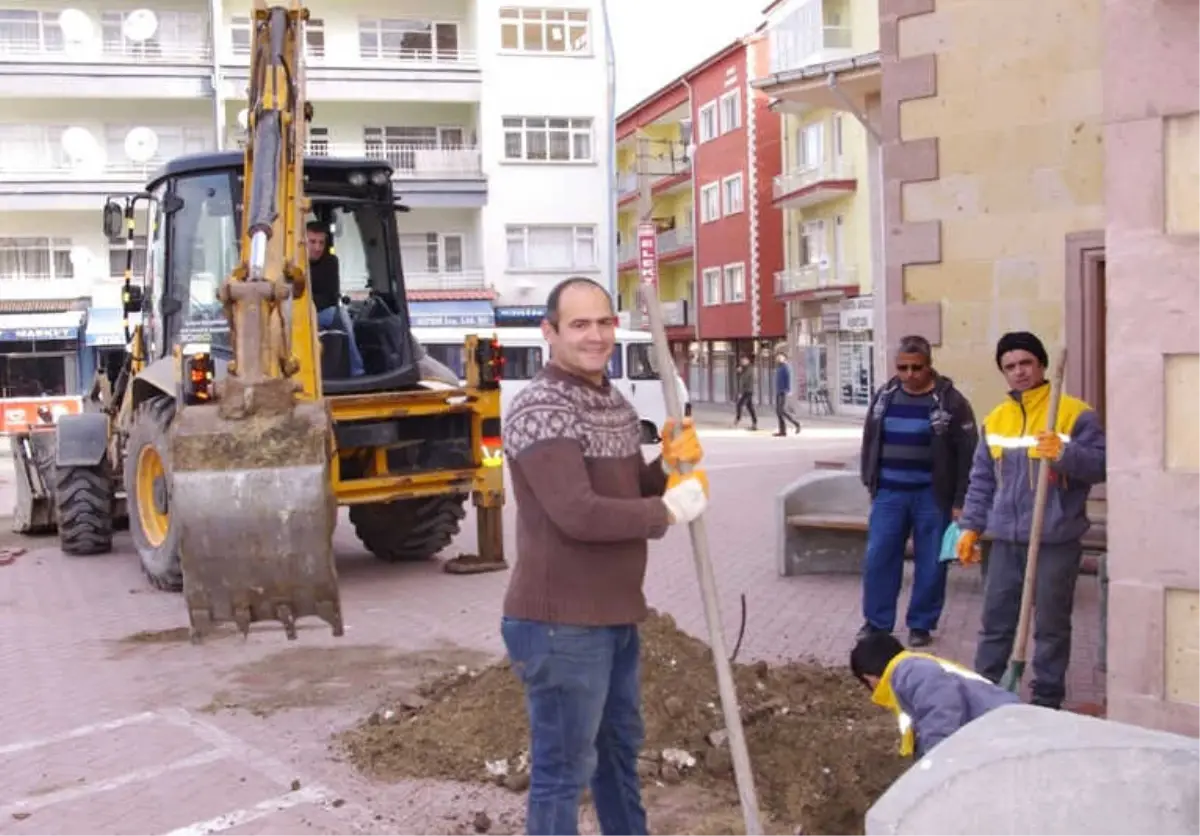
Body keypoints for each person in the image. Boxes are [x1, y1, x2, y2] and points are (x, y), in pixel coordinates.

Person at [500, 276, 710, 836]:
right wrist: (666, 511)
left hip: (614, 617)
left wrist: (664, 468)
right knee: (562, 773)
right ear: (549, 332)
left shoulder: (611, 400)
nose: (596, 336)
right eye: (579, 324)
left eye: (604, 322)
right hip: (559, 623)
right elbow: (579, 512)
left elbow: (621, 492)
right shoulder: (541, 405)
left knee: (618, 759)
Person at [956, 331, 1106, 710]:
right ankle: (985, 690)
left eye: (1025, 363)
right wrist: (971, 527)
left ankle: (1046, 699)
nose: (1019, 372)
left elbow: (1102, 465)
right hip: (1005, 540)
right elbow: (982, 480)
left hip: (1055, 539)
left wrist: (1065, 453)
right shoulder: (997, 419)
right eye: (1010, 366)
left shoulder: (1073, 413)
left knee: (1052, 627)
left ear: (1040, 365)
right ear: (1003, 373)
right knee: (996, 622)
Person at [858, 335, 978, 648]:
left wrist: (960, 501)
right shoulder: (885, 396)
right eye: (902, 367)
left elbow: (968, 454)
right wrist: (870, 479)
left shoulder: (951, 402)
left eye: (916, 367)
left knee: (931, 563)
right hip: (888, 494)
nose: (909, 374)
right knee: (879, 558)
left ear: (929, 366)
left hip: (931, 496)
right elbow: (869, 439)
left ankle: (921, 624)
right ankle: (877, 623)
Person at [851, 631, 1020, 759]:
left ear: (869, 677)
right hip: (999, 728)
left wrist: (934, 762)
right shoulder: (910, 670)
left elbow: (942, 712)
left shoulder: (910, 671)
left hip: (1007, 731)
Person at [307, 221, 365, 377]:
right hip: (296, 313)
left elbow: (331, 296)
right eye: (312, 242)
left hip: (320, 312)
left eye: (321, 242)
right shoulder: (293, 264)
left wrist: (309, 302)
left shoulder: (331, 262)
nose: (317, 248)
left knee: (342, 315)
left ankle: (357, 370)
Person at [773, 351, 802, 437]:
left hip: (783, 391)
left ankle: (796, 424)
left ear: (784, 358)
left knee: (781, 411)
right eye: (778, 357)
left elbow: (788, 378)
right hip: (778, 391)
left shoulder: (785, 367)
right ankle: (782, 431)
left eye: (780, 357)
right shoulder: (779, 367)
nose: (778, 358)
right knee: (779, 411)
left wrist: (788, 389)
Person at [733, 355, 757, 431]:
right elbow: (741, 378)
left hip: (748, 391)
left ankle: (738, 418)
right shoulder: (744, 368)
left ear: (748, 361)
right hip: (746, 390)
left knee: (739, 404)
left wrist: (740, 372)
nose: (743, 362)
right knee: (750, 407)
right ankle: (754, 423)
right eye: (742, 361)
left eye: (744, 361)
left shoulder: (749, 369)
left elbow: (745, 379)